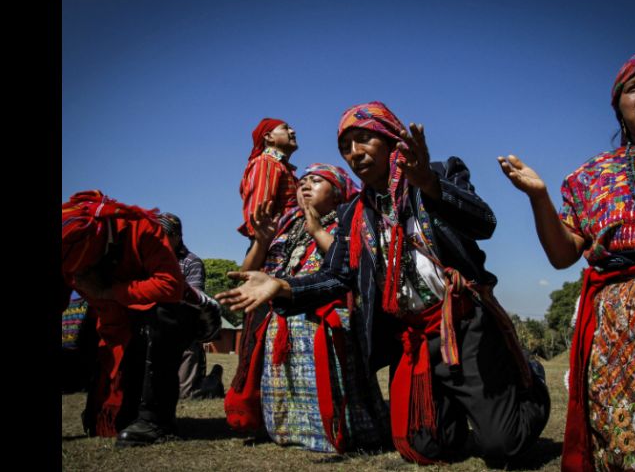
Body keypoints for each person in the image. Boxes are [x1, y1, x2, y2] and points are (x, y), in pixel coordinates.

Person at [217, 101, 550, 468]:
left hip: (463, 325)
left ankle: (530, 381)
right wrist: (282, 287)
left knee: (502, 447)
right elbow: (338, 274)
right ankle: (454, 412)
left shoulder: (441, 173)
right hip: (413, 337)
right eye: (346, 147)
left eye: (364, 140)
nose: (354, 153)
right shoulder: (354, 213)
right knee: (423, 448)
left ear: (392, 140)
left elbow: (484, 222)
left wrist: (429, 184)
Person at [497, 47, 635, 471]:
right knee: (629, 438)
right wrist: (539, 198)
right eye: (633, 88)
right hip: (622, 323)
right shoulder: (590, 176)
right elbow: (562, 256)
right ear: (619, 108)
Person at [225, 163, 390, 453]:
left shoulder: (349, 221)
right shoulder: (286, 226)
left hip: (328, 319)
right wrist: (262, 242)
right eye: (303, 181)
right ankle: (287, 432)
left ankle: (339, 431)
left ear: (337, 192)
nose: (305, 185)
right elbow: (246, 274)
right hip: (283, 316)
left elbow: (349, 265)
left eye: (316, 181)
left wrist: (315, 230)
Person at [61, 190, 199, 447]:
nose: (78, 275)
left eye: (84, 268)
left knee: (165, 314)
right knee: (101, 423)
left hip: (160, 320)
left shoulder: (142, 230)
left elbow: (170, 287)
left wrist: (108, 292)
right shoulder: (68, 245)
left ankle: (156, 421)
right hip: (113, 324)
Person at [157, 212, 208, 400]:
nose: (159, 239)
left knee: (184, 394)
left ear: (177, 237)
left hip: (182, 327)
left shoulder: (191, 262)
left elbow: (195, 300)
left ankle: (212, 382)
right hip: (155, 325)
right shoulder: (150, 259)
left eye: (164, 234)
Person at [239, 118, 300, 271]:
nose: (292, 131)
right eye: (285, 128)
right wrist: (261, 244)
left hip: (282, 245)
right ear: (268, 137)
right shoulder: (266, 162)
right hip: (270, 250)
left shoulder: (281, 166)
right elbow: (258, 216)